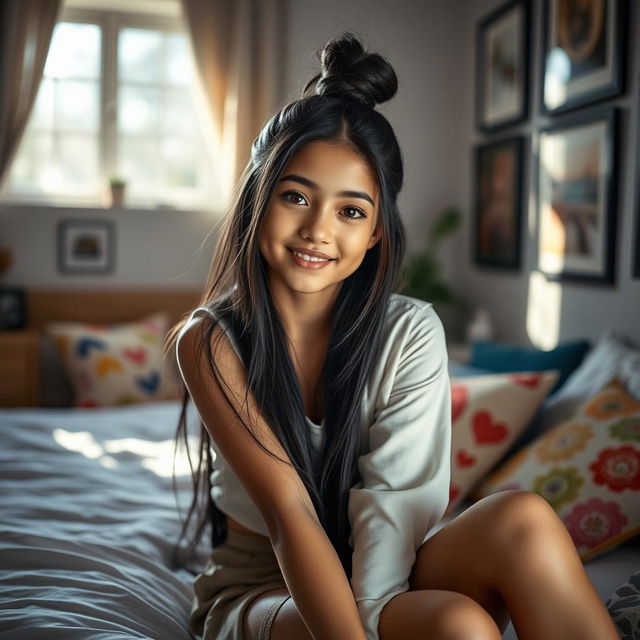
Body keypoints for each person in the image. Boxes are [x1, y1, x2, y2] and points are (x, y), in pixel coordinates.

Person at [165, 31, 620, 640]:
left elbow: (397, 503)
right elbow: (289, 513)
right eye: (295, 196)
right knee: (458, 625)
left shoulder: (409, 331)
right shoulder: (210, 341)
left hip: (388, 566)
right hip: (266, 584)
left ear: (377, 231)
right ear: (256, 201)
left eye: (351, 211)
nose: (317, 231)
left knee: (524, 518)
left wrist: (378, 611)